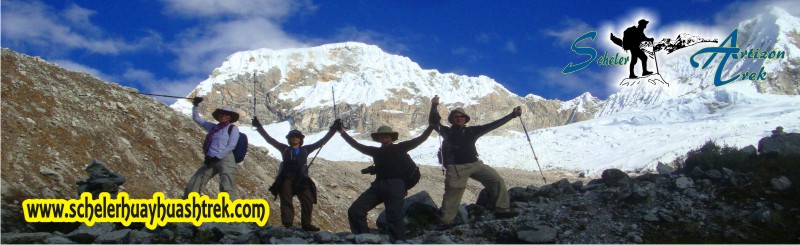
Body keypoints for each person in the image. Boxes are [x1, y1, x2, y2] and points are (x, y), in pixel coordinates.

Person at [429, 95, 522, 225]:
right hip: (456, 168)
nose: (459, 118)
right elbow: (433, 122)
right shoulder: (446, 131)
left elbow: (493, 125)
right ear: (452, 120)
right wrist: (434, 105)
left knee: (496, 180)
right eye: (456, 117)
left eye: (462, 116)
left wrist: (512, 115)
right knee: (453, 194)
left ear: (465, 119)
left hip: (475, 164)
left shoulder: (472, 131)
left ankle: (502, 209)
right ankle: (445, 221)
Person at [337, 123, 434, 242]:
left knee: (394, 216)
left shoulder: (400, 147)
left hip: (395, 185)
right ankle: (365, 239)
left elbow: (420, 139)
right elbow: (356, 145)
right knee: (355, 210)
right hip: (379, 185)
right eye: (381, 135)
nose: (383, 137)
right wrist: (341, 132)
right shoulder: (375, 151)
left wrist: (431, 127)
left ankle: (398, 241)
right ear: (378, 138)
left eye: (386, 135)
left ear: (391, 137)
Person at [251, 117, 340, 231]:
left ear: (300, 139)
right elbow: (269, 139)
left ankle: (306, 224)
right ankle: (288, 224)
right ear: (289, 139)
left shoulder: (306, 149)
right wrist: (258, 127)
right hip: (286, 178)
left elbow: (322, 141)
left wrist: (333, 130)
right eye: (292, 137)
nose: (294, 138)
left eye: (297, 137)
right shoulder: (284, 148)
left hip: (301, 178)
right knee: (286, 200)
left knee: (308, 200)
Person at [184, 97, 241, 200]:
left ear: (230, 117)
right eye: (221, 114)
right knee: (196, 182)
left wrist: (218, 156)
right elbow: (197, 119)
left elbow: (231, 145)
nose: (223, 115)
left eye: (226, 114)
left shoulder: (233, 128)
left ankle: (230, 210)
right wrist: (195, 106)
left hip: (226, 159)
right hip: (210, 159)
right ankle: (190, 205)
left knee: (226, 185)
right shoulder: (213, 127)